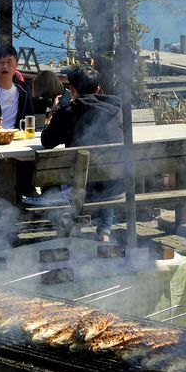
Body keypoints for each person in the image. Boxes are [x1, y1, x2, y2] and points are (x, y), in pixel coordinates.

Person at [40, 64, 123, 240]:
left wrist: (53, 113)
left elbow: (46, 141)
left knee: (49, 182)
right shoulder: (117, 111)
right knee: (103, 176)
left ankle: (67, 228)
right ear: (98, 89)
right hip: (115, 185)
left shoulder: (68, 112)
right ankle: (105, 231)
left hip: (81, 187)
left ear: (72, 89)